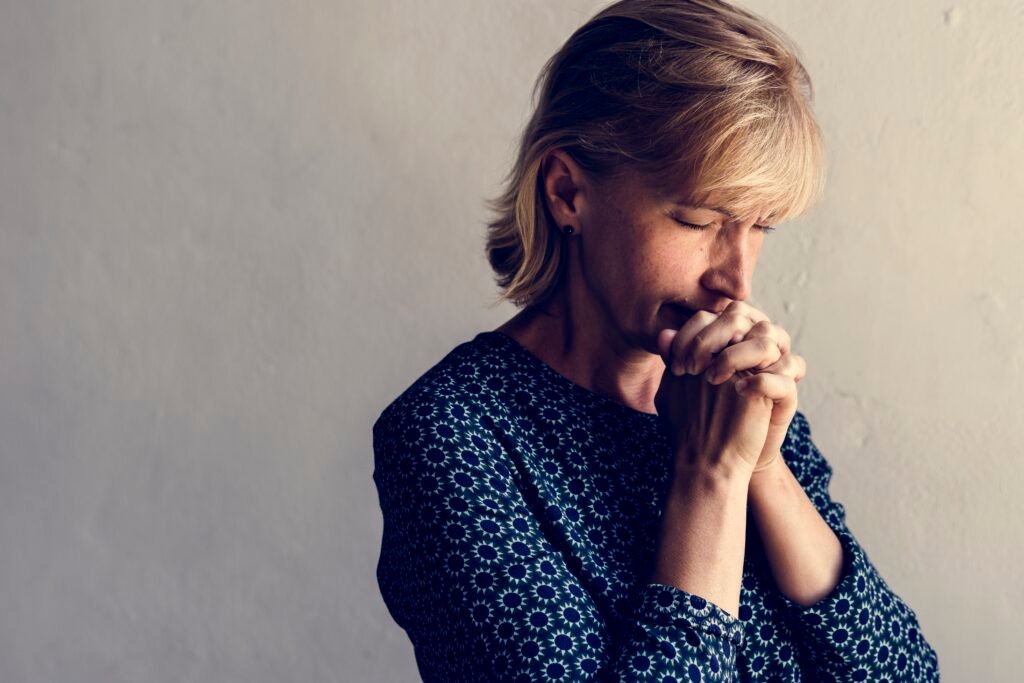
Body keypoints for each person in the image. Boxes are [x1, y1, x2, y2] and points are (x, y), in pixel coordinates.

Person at [372, 0, 941, 680]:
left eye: (761, 227)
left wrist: (763, 468)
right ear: (567, 193)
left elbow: (907, 673)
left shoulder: (728, 395)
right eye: (700, 219)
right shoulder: (451, 436)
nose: (736, 278)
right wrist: (711, 477)